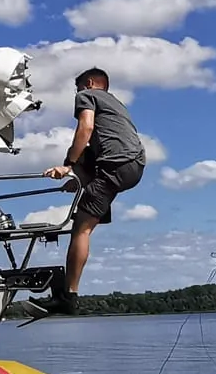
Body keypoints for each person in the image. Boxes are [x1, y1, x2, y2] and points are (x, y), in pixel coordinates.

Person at [38, 67, 146, 315]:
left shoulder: (87, 96)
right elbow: (95, 149)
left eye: (77, 89)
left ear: (88, 83)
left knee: (81, 229)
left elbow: (85, 128)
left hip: (115, 166)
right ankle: (81, 182)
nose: (76, 95)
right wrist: (79, 176)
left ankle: (69, 297)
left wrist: (67, 165)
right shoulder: (117, 105)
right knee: (87, 159)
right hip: (133, 166)